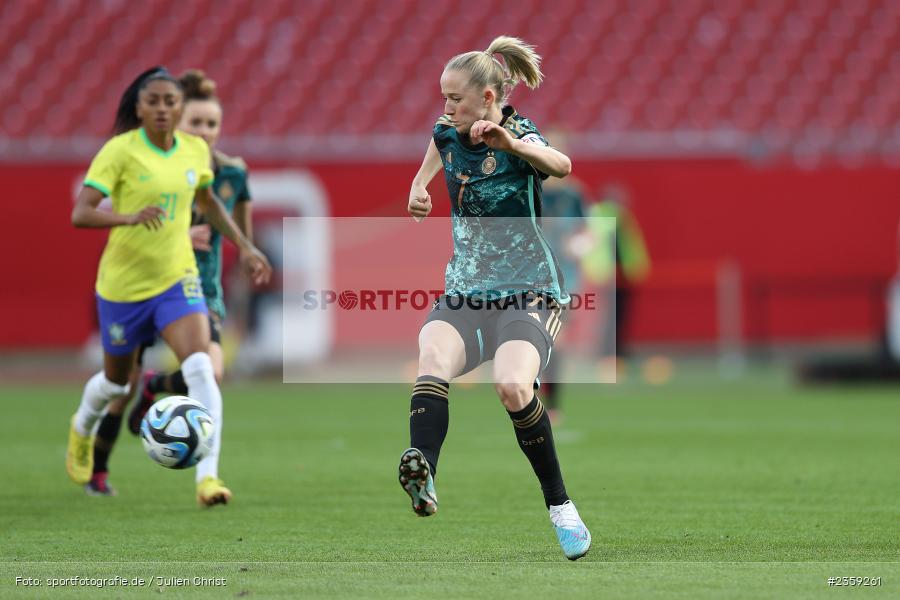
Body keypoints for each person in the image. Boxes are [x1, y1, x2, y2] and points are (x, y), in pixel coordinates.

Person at [401, 36, 591, 560]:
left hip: (530, 290)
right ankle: (424, 474)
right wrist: (419, 188)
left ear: (488, 98)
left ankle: (561, 507)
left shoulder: (517, 131)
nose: (445, 108)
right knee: (432, 358)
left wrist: (512, 146)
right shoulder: (447, 130)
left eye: (455, 99)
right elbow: (437, 145)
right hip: (466, 288)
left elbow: (562, 164)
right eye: (442, 97)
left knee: (511, 386)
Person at [66, 66, 271, 507]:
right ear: (139, 108)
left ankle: (208, 479)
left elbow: (207, 201)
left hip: (177, 279)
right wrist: (127, 217)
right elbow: (80, 213)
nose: (162, 108)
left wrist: (245, 246)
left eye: (169, 101)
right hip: (123, 286)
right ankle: (82, 426)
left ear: (179, 108)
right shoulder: (119, 152)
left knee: (200, 367)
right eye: (153, 101)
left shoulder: (194, 151)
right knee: (117, 384)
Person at [582, 183, 650, 365]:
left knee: (612, 316)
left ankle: (613, 352)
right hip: (611, 277)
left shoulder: (604, 215)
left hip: (612, 276)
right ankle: (610, 353)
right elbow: (614, 247)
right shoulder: (609, 216)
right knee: (611, 317)